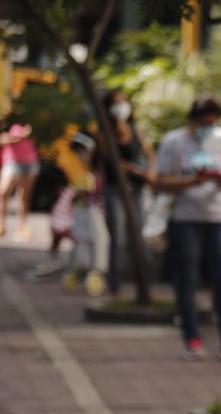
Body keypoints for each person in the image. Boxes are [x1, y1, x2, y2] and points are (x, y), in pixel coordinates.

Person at [155, 96, 221, 362]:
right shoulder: (174, 141)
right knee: (187, 279)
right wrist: (192, 181)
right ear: (193, 120)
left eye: (212, 123)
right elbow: (161, 182)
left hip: (218, 217)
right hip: (185, 218)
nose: (207, 128)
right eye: (203, 123)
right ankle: (191, 336)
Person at [100, 90, 156, 296]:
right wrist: (137, 170)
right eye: (116, 103)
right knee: (118, 238)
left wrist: (149, 172)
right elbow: (113, 160)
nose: (120, 107)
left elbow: (150, 154)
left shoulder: (136, 129)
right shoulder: (105, 132)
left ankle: (146, 282)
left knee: (139, 236)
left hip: (137, 189)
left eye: (123, 102)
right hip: (115, 188)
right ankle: (114, 284)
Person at [56, 132, 110, 296]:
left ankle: (96, 276)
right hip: (82, 213)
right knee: (81, 245)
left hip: (95, 213)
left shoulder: (98, 170)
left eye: (83, 151)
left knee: (99, 243)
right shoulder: (81, 171)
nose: (81, 155)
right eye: (79, 152)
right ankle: (77, 274)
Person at [0, 121, 40, 241]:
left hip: (29, 163)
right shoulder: (13, 129)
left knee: (24, 196)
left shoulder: (33, 130)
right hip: (12, 163)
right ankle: (1, 225)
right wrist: (22, 134)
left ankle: (23, 227)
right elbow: (7, 140)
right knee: (3, 192)